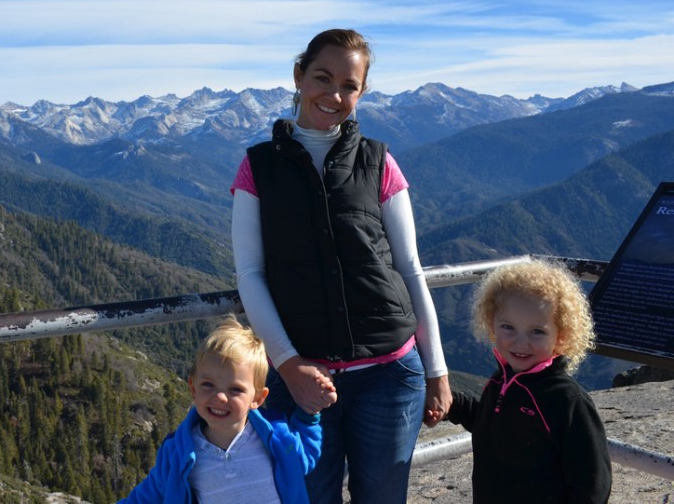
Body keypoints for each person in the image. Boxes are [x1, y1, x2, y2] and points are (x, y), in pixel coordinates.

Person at [230, 28, 452, 503]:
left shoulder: (379, 161)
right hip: (300, 378)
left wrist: (437, 370)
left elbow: (410, 268)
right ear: (298, 76)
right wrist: (287, 365)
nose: (333, 95)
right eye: (322, 78)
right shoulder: (258, 168)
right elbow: (250, 273)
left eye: (348, 86)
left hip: (390, 375)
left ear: (361, 93)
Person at [447, 259, 612, 503]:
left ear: (562, 335)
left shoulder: (566, 400)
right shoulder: (500, 382)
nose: (520, 342)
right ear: (491, 324)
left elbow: (593, 483)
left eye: (537, 331)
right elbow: (493, 424)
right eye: (508, 327)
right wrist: (452, 403)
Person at [120, 315, 324, 503]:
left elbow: (304, 457)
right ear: (193, 388)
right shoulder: (178, 452)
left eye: (235, 389)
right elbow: (147, 497)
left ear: (257, 398)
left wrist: (309, 416)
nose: (219, 396)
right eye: (208, 385)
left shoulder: (278, 438)